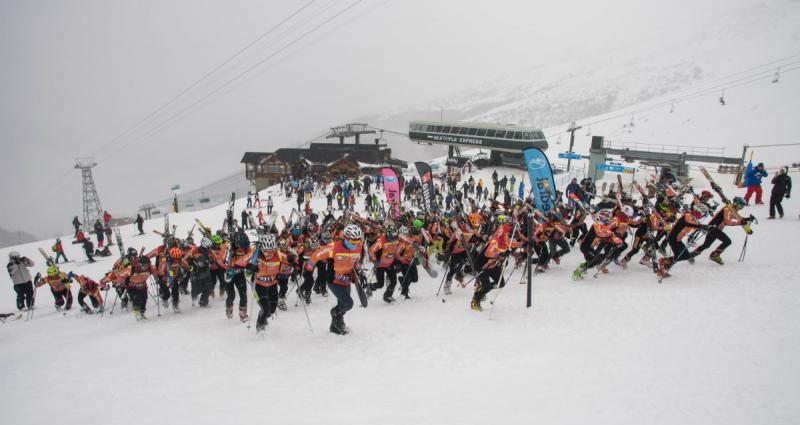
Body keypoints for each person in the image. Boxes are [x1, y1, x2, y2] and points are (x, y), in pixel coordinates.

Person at [326, 224, 364, 335]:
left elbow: (355, 261)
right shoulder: (334, 246)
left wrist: (358, 272)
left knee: (343, 303)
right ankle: (335, 312)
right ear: (346, 238)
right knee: (348, 304)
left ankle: (335, 326)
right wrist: (310, 263)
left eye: (357, 241)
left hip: (346, 279)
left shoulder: (358, 246)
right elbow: (319, 254)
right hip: (334, 280)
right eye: (353, 241)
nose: (355, 244)